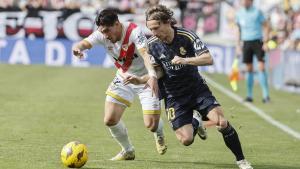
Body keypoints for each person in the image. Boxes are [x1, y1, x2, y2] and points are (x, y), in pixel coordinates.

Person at [124, 4, 253, 169]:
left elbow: (208, 59)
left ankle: (241, 160)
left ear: (167, 22)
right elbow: (157, 73)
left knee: (221, 122)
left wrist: (185, 60)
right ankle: (196, 121)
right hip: (174, 96)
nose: (154, 33)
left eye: (156, 28)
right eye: (151, 29)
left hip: (196, 89)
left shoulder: (186, 36)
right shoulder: (152, 45)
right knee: (186, 140)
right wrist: (140, 80)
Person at [72, 8, 167, 161]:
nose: (105, 36)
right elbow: (84, 43)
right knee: (109, 119)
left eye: (107, 31)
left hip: (144, 78)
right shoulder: (102, 34)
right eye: (102, 32)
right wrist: (77, 49)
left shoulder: (134, 31)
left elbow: (145, 54)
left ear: (117, 24)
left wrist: (152, 76)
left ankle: (159, 132)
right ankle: (128, 150)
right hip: (124, 78)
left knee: (151, 125)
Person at [235, 0, 270, 103]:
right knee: (249, 68)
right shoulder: (239, 13)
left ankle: (266, 96)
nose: (243, 2)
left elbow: (266, 26)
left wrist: (266, 41)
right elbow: (238, 29)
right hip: (246, 42)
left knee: (261, 67)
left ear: (251, 1)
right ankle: (249, 95)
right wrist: (237, 45)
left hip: (258, 41)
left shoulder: (257, 12)